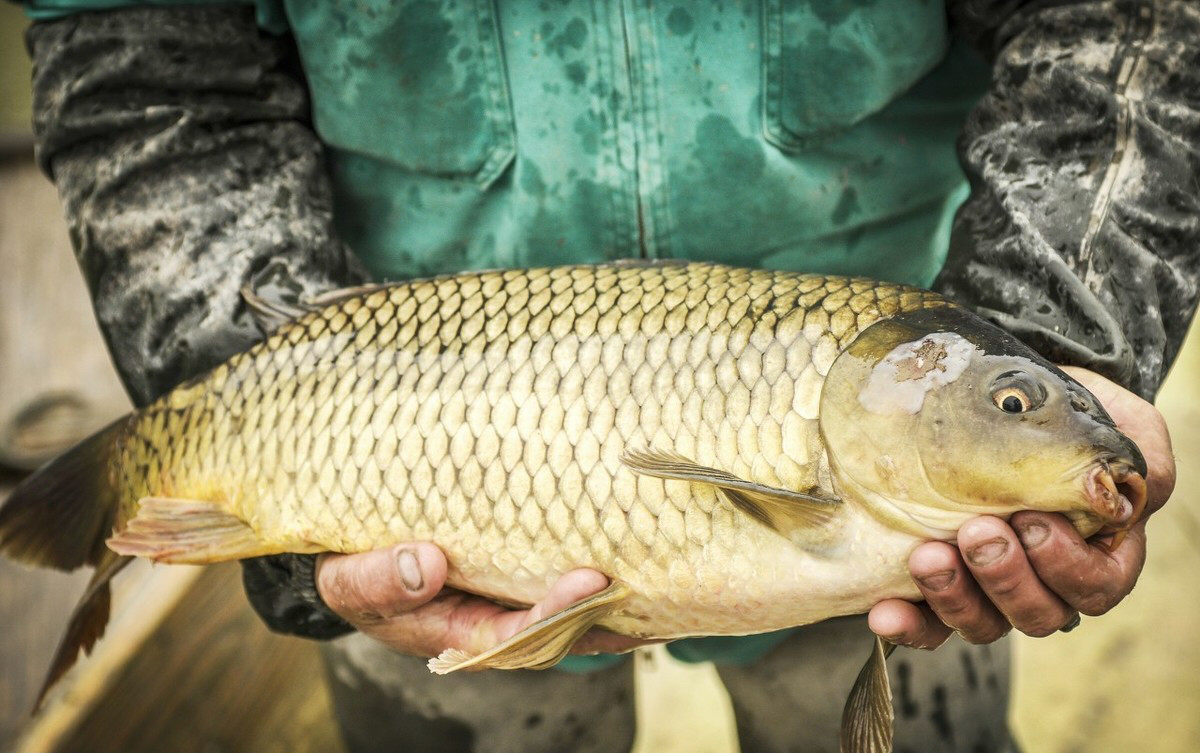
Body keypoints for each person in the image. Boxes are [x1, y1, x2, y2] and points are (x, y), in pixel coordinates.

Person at [18, 1, 1191, 751]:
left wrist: (1053, 336)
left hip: (904, 327)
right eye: (1019, 404)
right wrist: (278, 522)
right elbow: (150, 78)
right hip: (383, 394)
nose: (1039, 416)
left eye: (1015, 407)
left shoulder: (916, 414)